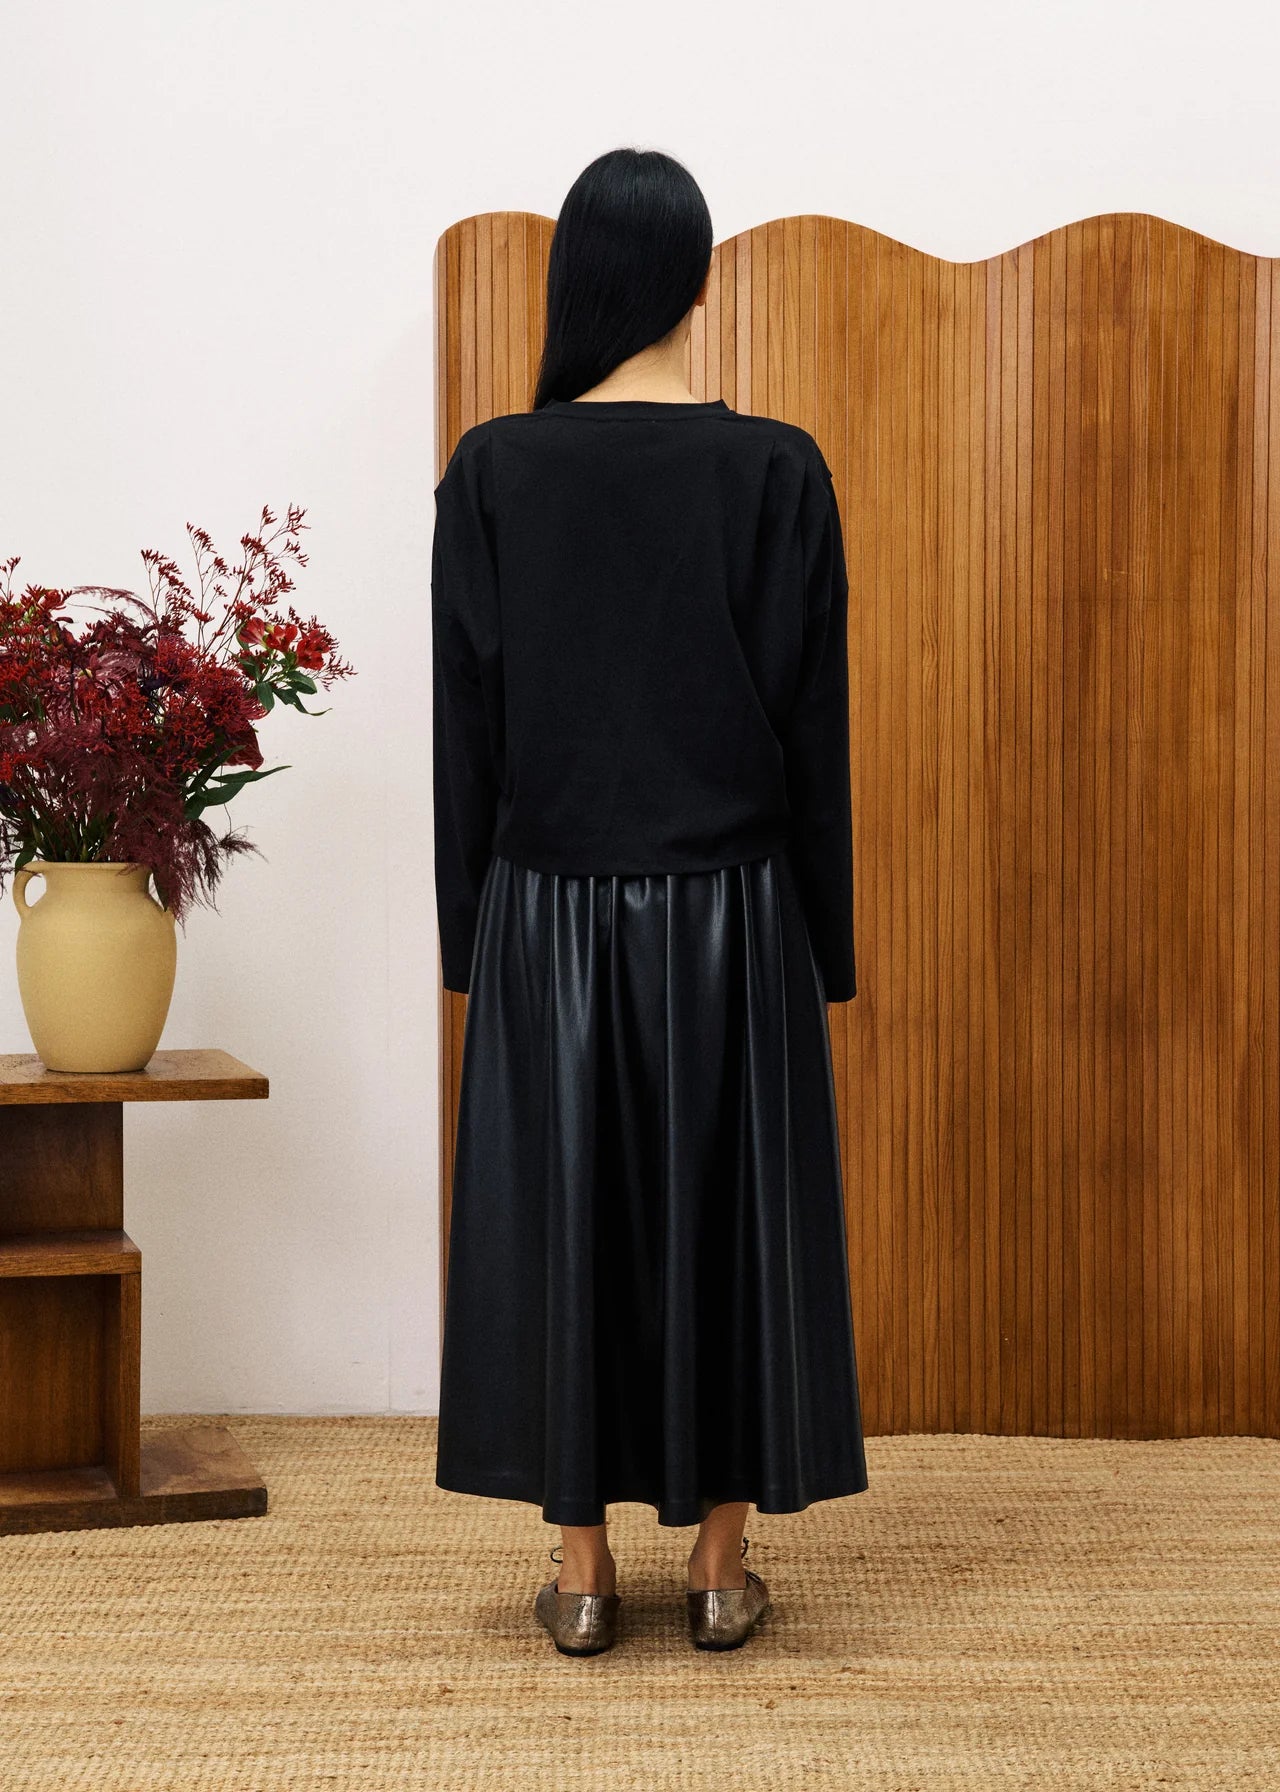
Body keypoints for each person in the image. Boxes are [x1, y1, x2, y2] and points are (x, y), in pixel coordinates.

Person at [431, 145, 869, 1657]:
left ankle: (579, 1571)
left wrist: (465, 935)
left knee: (567, 1224)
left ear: (578, 286)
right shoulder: (778, 469)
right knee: (730, 1223)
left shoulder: (493, 468)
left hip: (545, 912)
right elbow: (817, 730)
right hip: (737, 912)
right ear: (699, 280)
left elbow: (465, 731)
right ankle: (724, 1568)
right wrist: (826, 939)